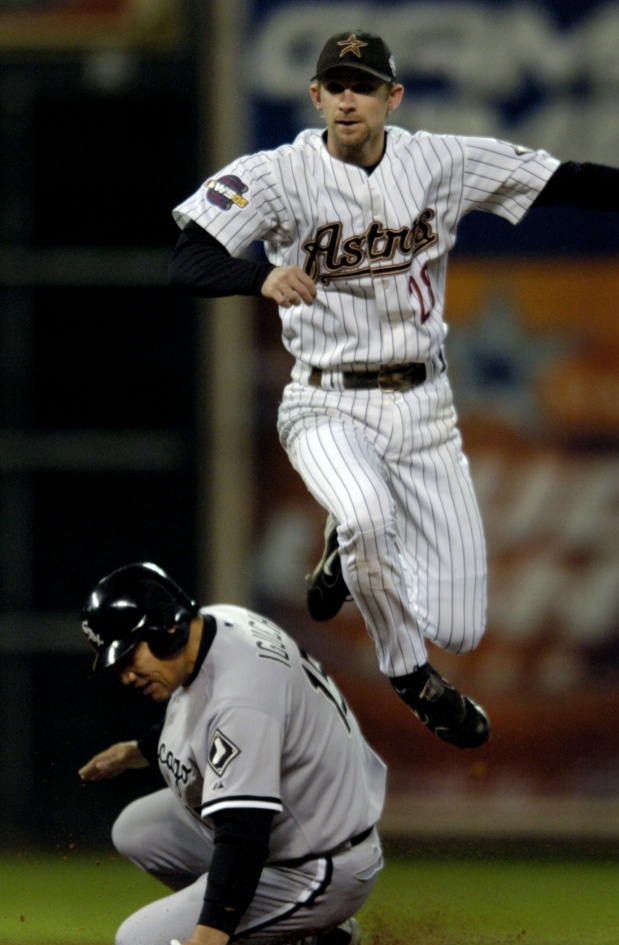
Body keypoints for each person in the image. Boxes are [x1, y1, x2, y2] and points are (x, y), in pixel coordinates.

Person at [168, 30, 619, 750]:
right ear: (314, 95)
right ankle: (411, 677)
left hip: (424, 409)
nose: (349, 98)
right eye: (336, 85)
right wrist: (255, 275)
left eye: (364, 85)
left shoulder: (439, 161)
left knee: (460, 626)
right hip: (325, 401)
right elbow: (187, 262)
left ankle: (346, 557)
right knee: (369, 516)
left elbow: (564, 180)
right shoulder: (278, 174)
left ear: (391, 97)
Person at [78, 562, 385, 945]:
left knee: (135, 944)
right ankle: (294, 932)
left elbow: (244, 832)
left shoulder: (243, 697)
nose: (126, 675)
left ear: (167, 629)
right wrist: (141, 749)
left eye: (130, 655)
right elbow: (202, 712)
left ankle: (308, 932)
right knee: (137, 829)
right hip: (290, 831)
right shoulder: (219, 624)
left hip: (317, 865)